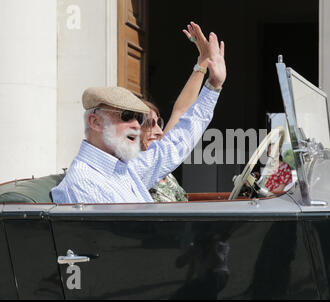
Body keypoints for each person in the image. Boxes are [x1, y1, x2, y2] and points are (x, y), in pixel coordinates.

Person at [51, 29, 226, 204]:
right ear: (95, 122)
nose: (136, 125)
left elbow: (176, 143)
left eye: (139, 118)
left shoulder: (126, 168)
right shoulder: (84, 183)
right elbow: (119, 232)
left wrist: (213, 84)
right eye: (127, 116)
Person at [140, 22, 211, 202]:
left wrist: (202, 62)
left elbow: (181, 111)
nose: (158, 131)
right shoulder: (133, 168)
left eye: (159, 123)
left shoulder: (159, 155)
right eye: (149, 123)